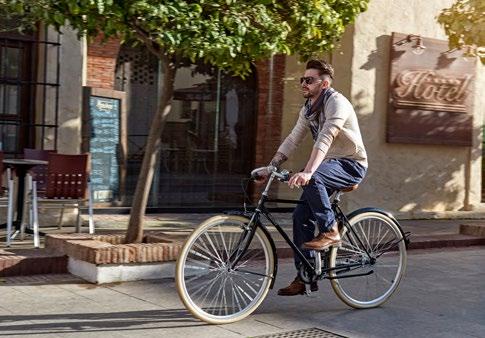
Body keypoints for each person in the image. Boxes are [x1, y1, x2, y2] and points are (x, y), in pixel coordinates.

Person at [254, 60, 368, 296]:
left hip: (351, 164)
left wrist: (308, 172)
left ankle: (330, 230)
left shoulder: (337, 103)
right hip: (328, 166)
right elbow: (293, 139)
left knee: (314, 178)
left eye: (309, 80)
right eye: (302, 80)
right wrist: (271, 166)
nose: (303, 84)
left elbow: (325, 138)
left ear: (324, 84)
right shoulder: (308, 109)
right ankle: (304, 277)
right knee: (300, 216)